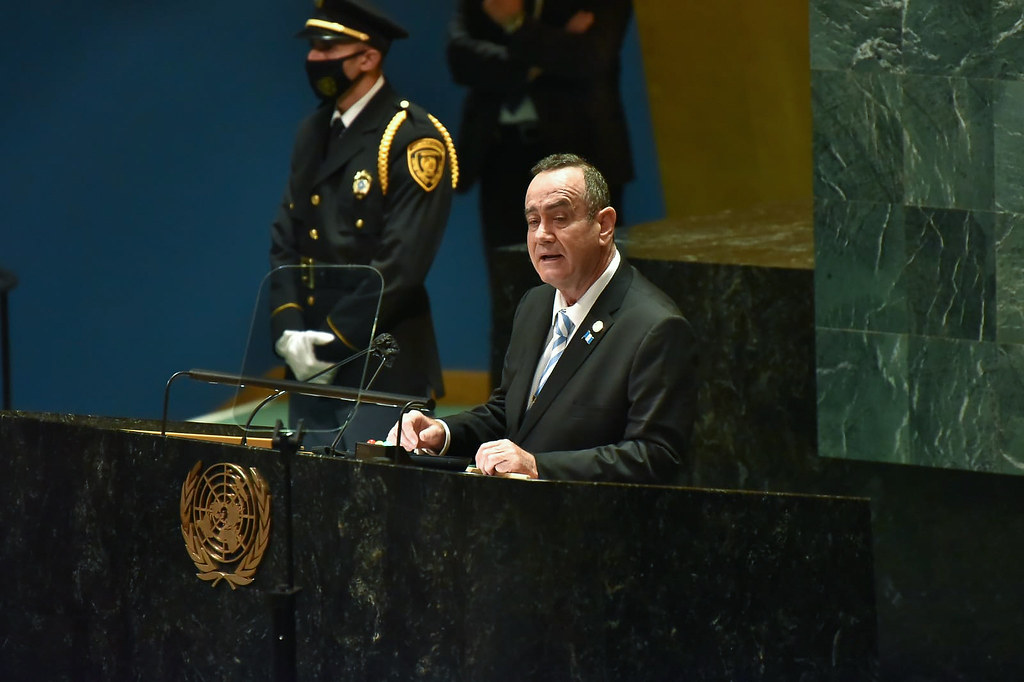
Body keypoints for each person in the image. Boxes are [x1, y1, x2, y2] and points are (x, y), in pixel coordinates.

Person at [389, 154, 696, 483]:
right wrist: (443, 432)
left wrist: (538, 467)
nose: (542, 235)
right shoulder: (535, 304)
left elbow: (655, 456)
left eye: (559, 219)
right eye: (533, 221)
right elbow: (510, 414)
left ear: (604, 226)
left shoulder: (655, 328)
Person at [269, 0, 458, 447]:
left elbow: (401, 266)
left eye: (326, 47)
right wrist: (289, 329)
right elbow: (285, 240)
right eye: (312, 47)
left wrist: (332, 341)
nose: (314, 58)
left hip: (378, 362)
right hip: (308, 362)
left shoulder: (413, 137)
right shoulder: (313, 132)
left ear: (368, 57)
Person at [447, 0, 635, 385]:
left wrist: (516, 25)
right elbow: (460, 60)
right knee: (509, 297)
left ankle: (590, 403)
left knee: (590, 291)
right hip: (501, 159)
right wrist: (544, 55)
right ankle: (507, 409)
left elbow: (590, 57)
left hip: (582, 161)